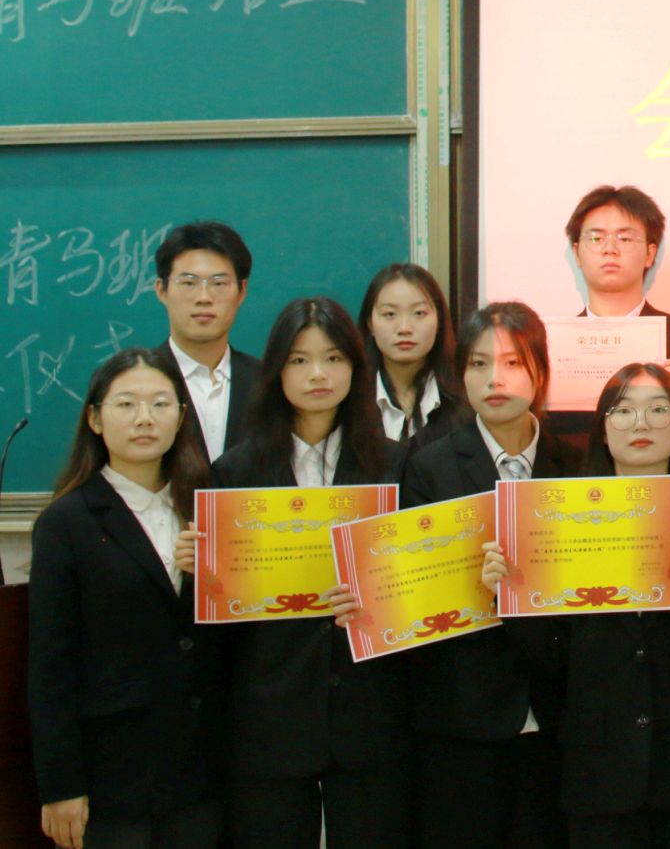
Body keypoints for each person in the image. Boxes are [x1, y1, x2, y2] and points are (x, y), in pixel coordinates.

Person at [485, 364, 670, 849]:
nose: (640, 424)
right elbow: (553, 660)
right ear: (602, 429)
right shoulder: (558, 522)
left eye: (658, 410)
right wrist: (510, 596)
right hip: (597, 766)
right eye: (622, 411)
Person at [194, 298, 408, 849]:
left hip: (370, 715)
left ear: (356, 369)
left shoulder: (394, 464)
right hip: (269, 713)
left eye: (334, 358)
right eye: (299, 360)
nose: (318, 374)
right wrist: (204, 571)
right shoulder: (235, 472)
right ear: (276, 371)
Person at [29, 348, 221, 849]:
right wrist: (60, 785)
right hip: (114, 774)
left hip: (202, 768)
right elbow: (50, 665)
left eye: (160, 404)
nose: (144, 418)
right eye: (126, 404)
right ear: (95, 419)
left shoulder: (210, 511)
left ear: (181, 417)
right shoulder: (67, 522)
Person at [400, 302, 572, 849]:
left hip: (559, 714)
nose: (495, 379)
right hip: (460, 718)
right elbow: (418, 595)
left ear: (541, 371)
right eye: (478, 364)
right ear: (461, 376)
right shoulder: (428, 467)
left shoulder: (577, 465)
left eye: (513, 362)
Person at [564, 184, 670, 476]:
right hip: (575, 493)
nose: (610, 248)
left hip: (664, 494)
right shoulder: (552, 343)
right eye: (596, 237)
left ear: (650, 253)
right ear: (577, 252)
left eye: (625, 238)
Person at [152, 219, 258, 459]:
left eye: (219, 283)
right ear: (161, 290)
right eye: (188, 283)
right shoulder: (133, 382)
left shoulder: (268, 383)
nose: (204, 297)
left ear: (242, 291)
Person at [359, 262, 460, 443]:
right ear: (370, 324)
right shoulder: (350, 399)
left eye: (419, 313)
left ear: (439, 321)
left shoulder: (466, 396)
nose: (404, 328)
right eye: (390, 314)